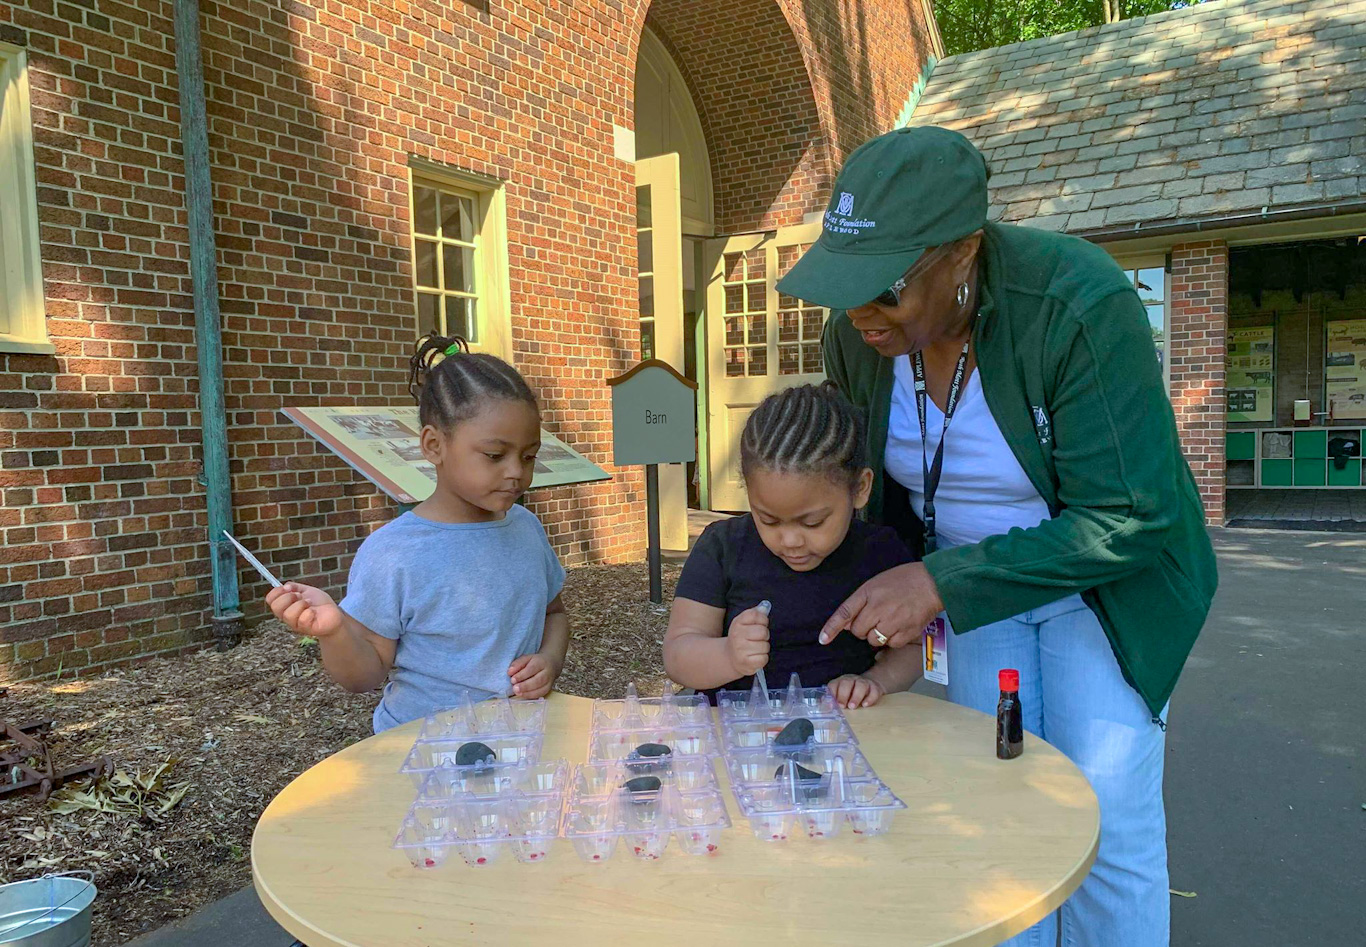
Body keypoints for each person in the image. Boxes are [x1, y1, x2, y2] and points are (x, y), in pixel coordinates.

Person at [776, 126, 1217, 947]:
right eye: (847, 288)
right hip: (976, 594)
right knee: (995, 813)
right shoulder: (857, 339)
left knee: (1104, 821)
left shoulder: (1077, 302)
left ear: (965, 253)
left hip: (1104, 587)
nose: (862, 314)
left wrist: (942, 585)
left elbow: (1132, 516)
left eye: (886, 289)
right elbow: (858, 492)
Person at [266, 334, 569, 733]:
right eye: (495, 456)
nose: (516, 471)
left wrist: (549, 658)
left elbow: (555, 614)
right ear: (433, 445)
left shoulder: (526, 528)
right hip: (422, 753)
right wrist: (334, 631)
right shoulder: (393, 553)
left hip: (522, 737)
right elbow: (364, 676)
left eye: (529, 456)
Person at [663, 384, 923, 708]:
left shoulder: (881, 554)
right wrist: (728, 655)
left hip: (844, 739)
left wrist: (874, 681)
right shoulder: (722, 548)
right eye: (768, 520)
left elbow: (915, 646)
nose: (790, 541)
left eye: (812, 522)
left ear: (860, 488)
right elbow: (678, 653)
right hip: (738, 738)